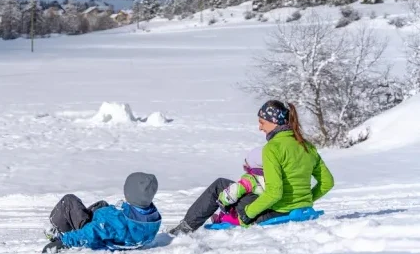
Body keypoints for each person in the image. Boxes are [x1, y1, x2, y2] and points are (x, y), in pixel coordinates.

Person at [169, 101, 334, 235]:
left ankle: (184, 229)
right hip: (299, 209)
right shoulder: (307, 146)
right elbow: (327, 182)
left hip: (274, 212)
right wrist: (305, 201)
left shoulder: (273, 148)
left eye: (262, 122)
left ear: (274, 122)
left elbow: (274, 191)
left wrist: (248, 213)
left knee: (220, 185)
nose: (260, 127)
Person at [42, 172, 162, 253]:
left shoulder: (114, 220)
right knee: (101, 204)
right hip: (123, 234)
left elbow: (90, 233)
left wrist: (63, 241)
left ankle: (61, 232)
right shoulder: (152, 218)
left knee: (69, 201)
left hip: (100, 235)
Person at [211, 146, 266, 225]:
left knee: (232, 204)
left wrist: (222, 200)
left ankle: (220, 219)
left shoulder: (251, 178)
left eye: (247, 162)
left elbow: (234, 191)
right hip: (262, 209)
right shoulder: (270, 176)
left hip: (244, 214)